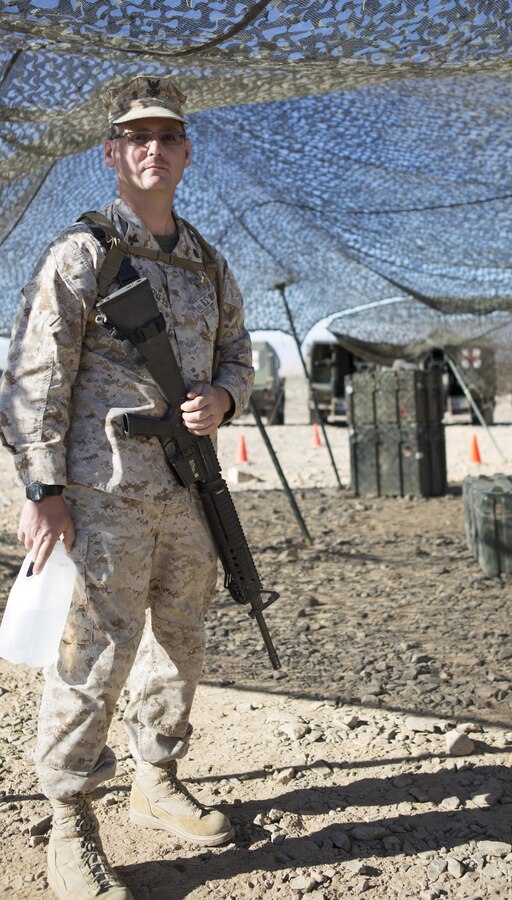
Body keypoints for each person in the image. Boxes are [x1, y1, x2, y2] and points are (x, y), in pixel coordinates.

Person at [0, 74, 254, 899]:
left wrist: (225, 396)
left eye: (167, 135)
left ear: (186, 152)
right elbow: (35, 378)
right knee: (91, 655)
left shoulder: (209, 264)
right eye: (134, 136)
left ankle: (156, 778)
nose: (152, 148)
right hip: (99, 493)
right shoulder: (80, 253)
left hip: (187, 491)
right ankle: (71, 820)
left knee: (180, 638)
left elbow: (238, 355)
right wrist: (43, 490)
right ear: (112, 153)